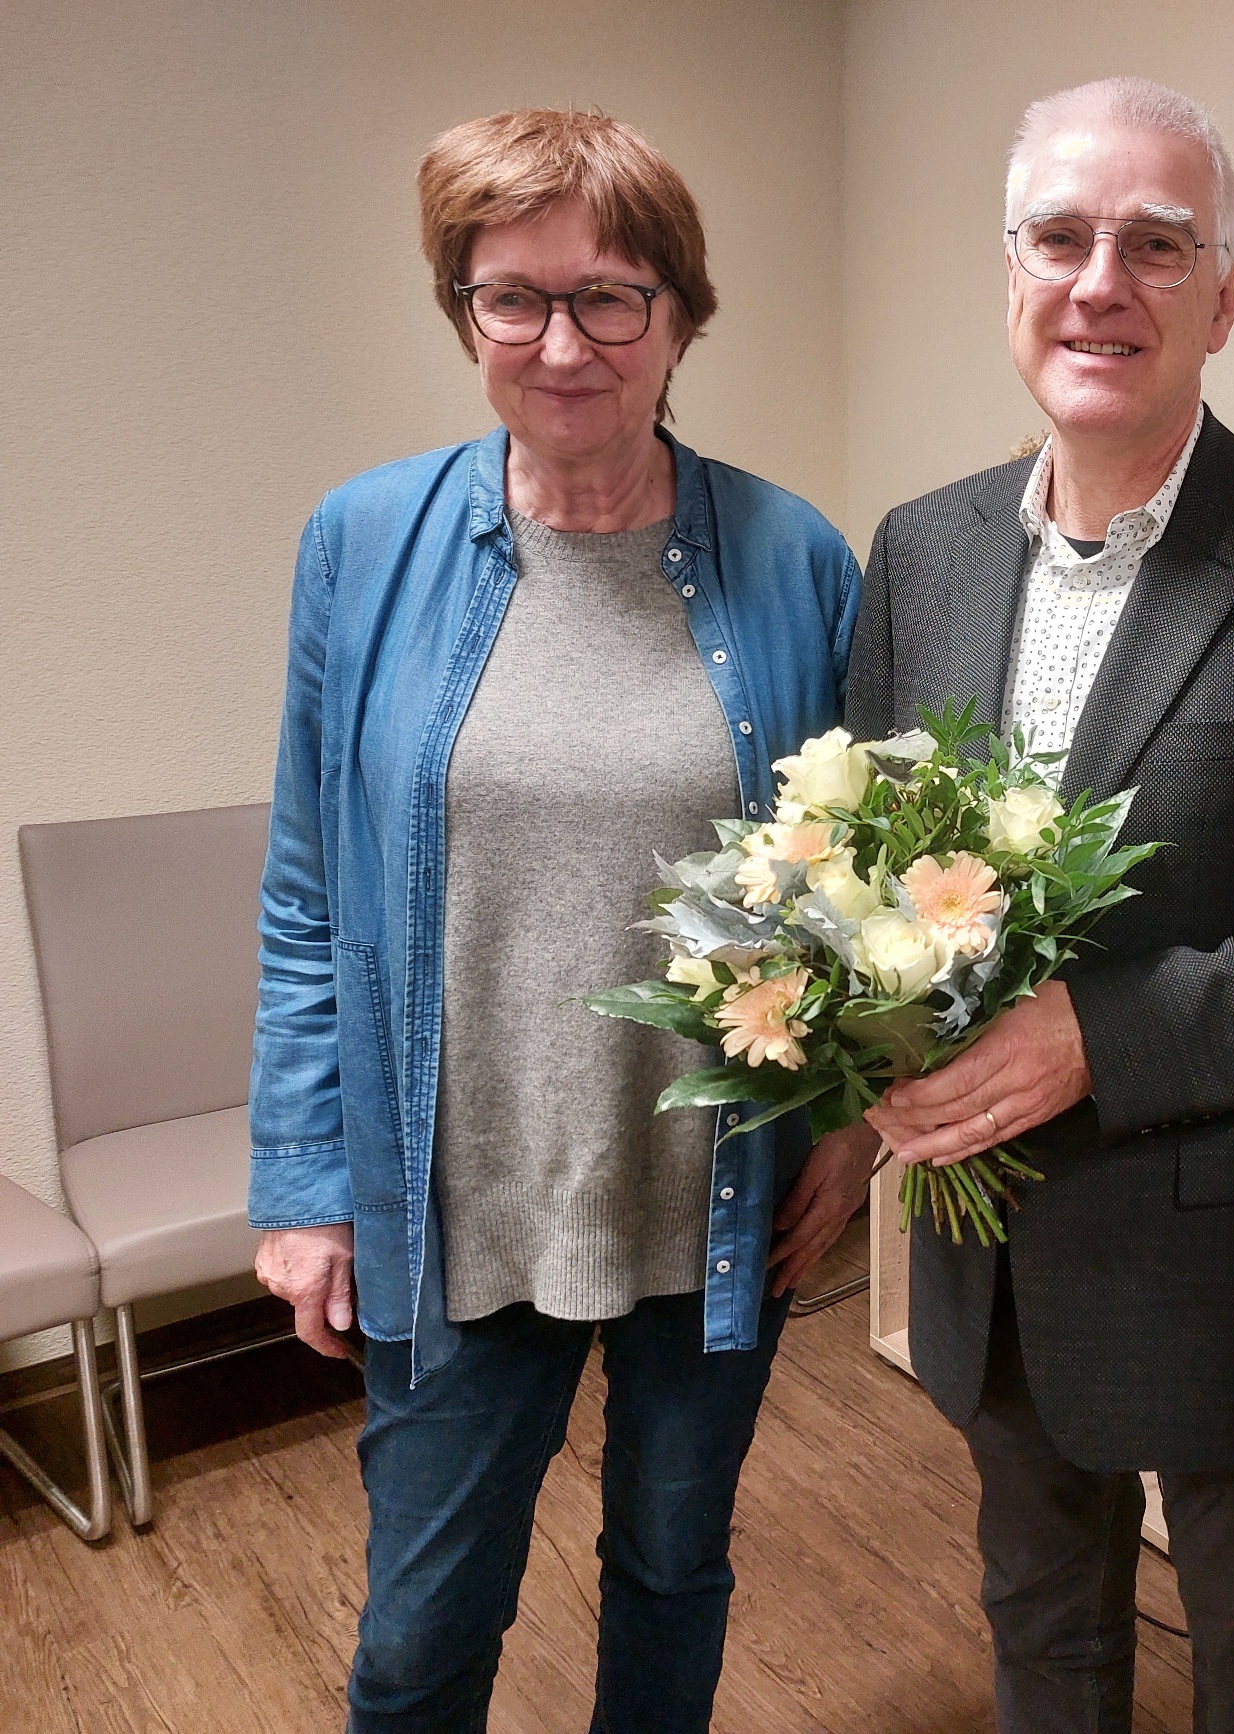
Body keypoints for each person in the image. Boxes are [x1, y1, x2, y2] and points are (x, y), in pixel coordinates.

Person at [838, 76, 1234, 1734]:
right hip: (991, 1246)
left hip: (1226, 1258)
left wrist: (1098, 1038)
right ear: (1013, 275)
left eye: (1157, 245)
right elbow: (871, 873)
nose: (1100, 279)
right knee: (1043, 1638)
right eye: (1062, 236)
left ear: (1225, 297)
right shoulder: (922, 550)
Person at [245, 108, 864, 1732]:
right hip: (458, 1193)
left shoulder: (797, 558)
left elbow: (860, 898)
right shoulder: (361, 544)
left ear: (681, 315)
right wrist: (309, 1181)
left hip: (712, 1199)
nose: (561, 341)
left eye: (609, 296)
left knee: (673, 1573)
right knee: (418, 1623)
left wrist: (855, 1136)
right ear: (463, 313)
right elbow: (310, 892)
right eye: (510, 296)